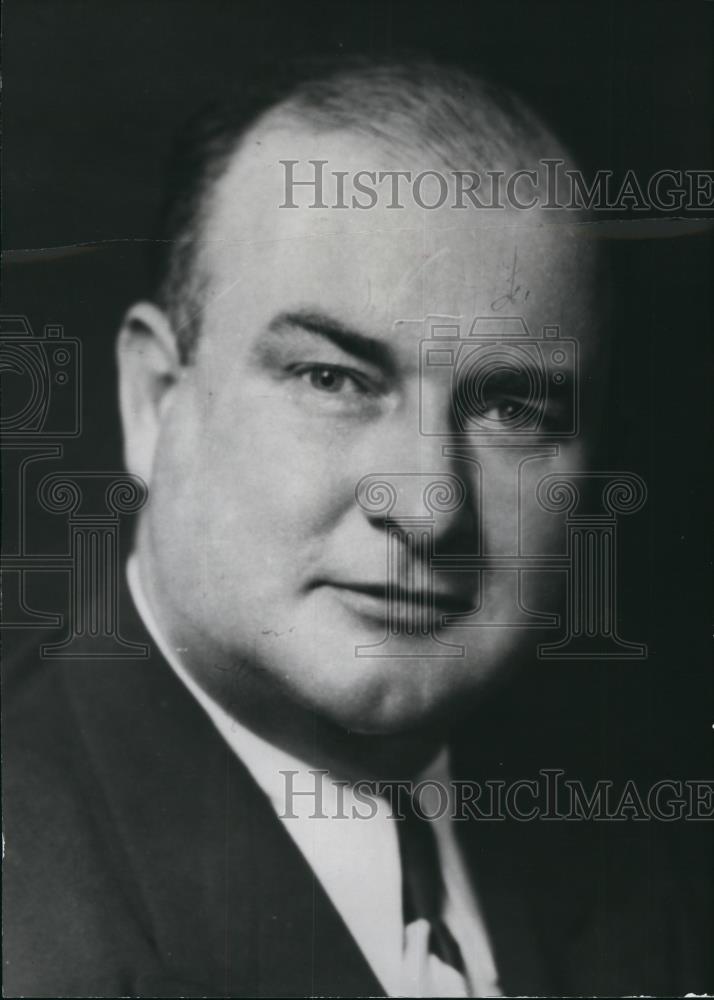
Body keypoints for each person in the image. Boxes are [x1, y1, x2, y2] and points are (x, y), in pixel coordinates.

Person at [2, 56, 709, 997]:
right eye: (332, 380)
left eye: (510, 409)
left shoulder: (644, 868)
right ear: (154, 400)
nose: (428, 506)